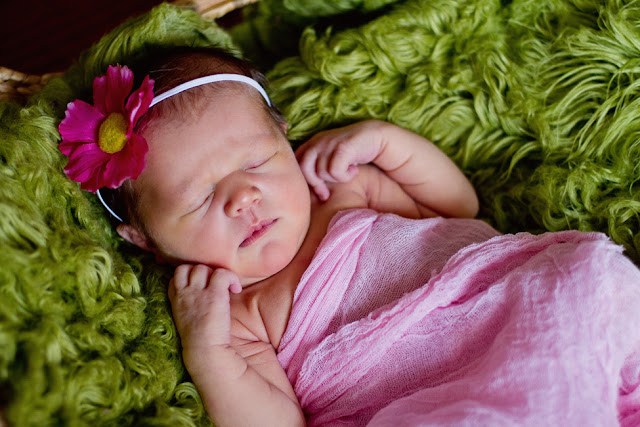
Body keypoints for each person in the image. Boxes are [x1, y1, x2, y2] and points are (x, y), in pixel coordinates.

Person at [58, 46, 640, 426]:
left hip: (516, 307)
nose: (243, 197)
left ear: (285, 139)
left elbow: (457, 208)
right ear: (144, 239)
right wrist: (207, 353)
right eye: (201, 198)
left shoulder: (341, 190)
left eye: (257, 163)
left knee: (582, 285)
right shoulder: (231, 311)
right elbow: (278, 421)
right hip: (429, 399)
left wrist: (385, 141)